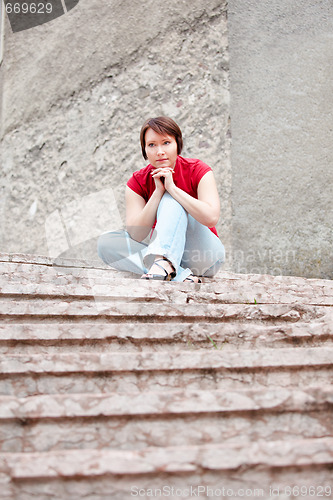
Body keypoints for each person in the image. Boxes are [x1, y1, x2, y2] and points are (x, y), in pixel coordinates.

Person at [97, 116, 225, 282]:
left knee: (171, 199)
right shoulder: (137, 182)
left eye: (166, 143)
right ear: (144, 150)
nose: (160, 151)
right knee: (106, 243)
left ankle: (164, 265)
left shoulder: (198, 170)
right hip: (166, 260)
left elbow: (211, 218)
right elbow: (136, 234)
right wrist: (157, 193)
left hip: (204, 256)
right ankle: (177, 275)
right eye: (151, 145)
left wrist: (172, 189)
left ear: (177, 144)